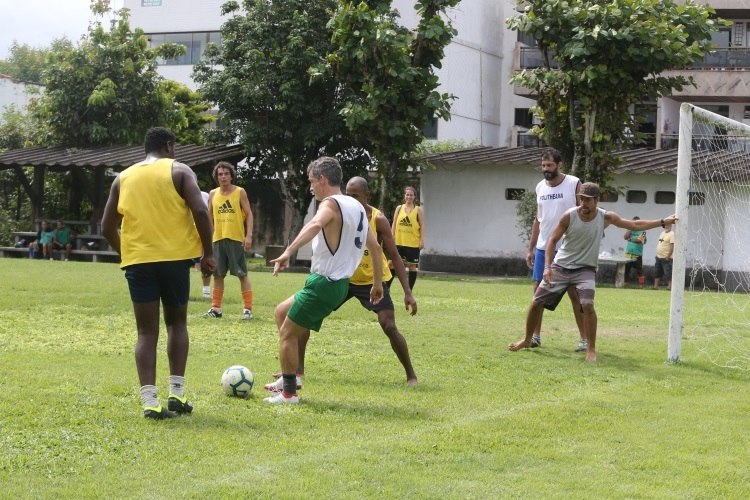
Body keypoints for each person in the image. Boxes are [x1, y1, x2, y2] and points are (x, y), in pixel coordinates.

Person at [101, 126, 216, 419]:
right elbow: (201, 211)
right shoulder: (179, 170)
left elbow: (106, 226)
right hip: (174, 260)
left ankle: (149, 401)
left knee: (146, 332)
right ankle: (176, 394)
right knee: (176, 324)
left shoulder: (123, 177)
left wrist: (127, 253)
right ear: (168, 146)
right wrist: (208, 253)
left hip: (138, 262)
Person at [264, 176, 418, 393]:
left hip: (370, 281)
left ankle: (411, 374)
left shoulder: (376, 218)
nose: (351, 198)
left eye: (356, 195)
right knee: (300, 318)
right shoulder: (344, 210)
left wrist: (406, 292)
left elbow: (390, 253)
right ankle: (296, 372)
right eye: (349, 193)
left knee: (389, 326)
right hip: (345, 278)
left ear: (366, 196)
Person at [509, 182, 678, 362]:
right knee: (536, 301)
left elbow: (635, 225)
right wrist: (548, 267)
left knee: (587, 305)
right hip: (561, 266)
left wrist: (662, 222)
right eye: (581, 198)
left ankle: (590, 349)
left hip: (585, 269)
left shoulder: (606, 217)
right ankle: (527, 339)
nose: (583, 203)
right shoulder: (569, 216)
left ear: (597, 201)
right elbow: (552, 241)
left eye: (588, 200)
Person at [265, 157, 384, 404]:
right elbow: (375, 247)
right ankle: (294, 377)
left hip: (325, 283)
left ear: (322, 179)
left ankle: (289, 393)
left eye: (311, 181)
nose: (311, 187)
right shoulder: (358, 207)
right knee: (280, 312)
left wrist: (289, 251)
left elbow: (316, 224)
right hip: (337, 285)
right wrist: (377, 283)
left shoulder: (329, 204)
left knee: (287, 333)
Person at [525, 148, 586, 352]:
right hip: (544, 248)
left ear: (560, 165)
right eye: (543, 166)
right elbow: (538, 219)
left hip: (568, 249)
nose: (546, 169)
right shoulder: (540, 187)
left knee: (574, 294)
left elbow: (584, 212)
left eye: (549, 165)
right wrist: (531, 247)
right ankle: (535, 336)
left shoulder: (574, 183)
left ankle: (584, 340)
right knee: (538, 293)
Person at [205, 162, 255, 320]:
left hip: (235, 239)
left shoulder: (240, 192)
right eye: (220, 174)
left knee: (242, 274)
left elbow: (249, 214)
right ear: (216, 177)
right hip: (218, 239)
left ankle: (247, 309)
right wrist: (207, 238)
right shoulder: (213, 194)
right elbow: (208, 218)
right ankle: (216, 308)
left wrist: (249, 236)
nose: (223, 176)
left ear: (232, 175)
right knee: (217, 275)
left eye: (226, 173)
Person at [392, 186, 424, 290]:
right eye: (407, 194)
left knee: (412, 266)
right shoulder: (399, 208)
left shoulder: (418, 210)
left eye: (411, 195)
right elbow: (394, 223)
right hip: (399, 241)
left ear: (414, 197)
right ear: (404, 196)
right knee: (391, 264)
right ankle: (386, 288)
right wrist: (391, 237)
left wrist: (422, 240)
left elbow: (422, 226)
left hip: (412, 243)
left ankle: (409, 290)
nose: (409, 197)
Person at [194, 191, 212, 298]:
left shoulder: (205, 196)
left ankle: (206, 290)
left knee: (206, 262)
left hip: (203, 233)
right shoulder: (179, 194)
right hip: (185, 234)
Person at [623, 217, 647, 288]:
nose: (635, 224)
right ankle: (626, 283)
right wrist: (630, 229)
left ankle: (641, 284)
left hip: (638, 253)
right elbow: (625, 237)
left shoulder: (643, 231)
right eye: (633, 222)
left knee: (639, 269)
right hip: (629, 252)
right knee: (627, 269)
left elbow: (640, 240)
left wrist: (630, 239)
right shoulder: (629, 229)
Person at [653, 222, 675, 290]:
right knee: (657, 272)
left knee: (668, 273)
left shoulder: (672, 234)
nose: (666, 226)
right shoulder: (662, 233)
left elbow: (672, 246)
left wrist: (668, 256)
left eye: (668, 225)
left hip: (666, 257)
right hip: (658, 257)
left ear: (671, 225)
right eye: (665, 225)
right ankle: (655, 286)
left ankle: (669, 287)